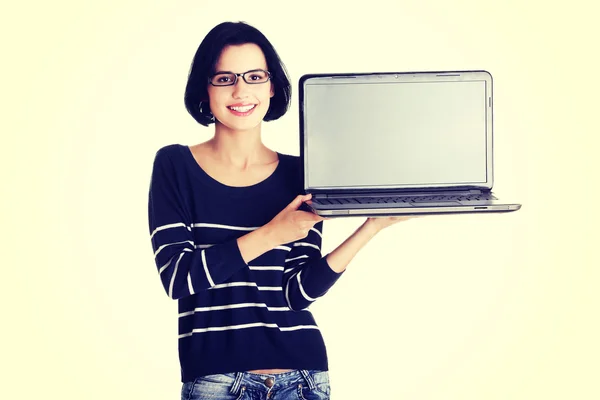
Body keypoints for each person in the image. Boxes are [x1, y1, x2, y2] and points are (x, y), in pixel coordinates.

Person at [148, 21, 415, 400]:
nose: (241, 91)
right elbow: (178, 278)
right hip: (216, 381)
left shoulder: (300, 174)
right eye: (224, 78)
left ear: (271, 87)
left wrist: (372, 226)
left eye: (254, 76)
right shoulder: (175, 165)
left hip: (304, 377)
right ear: (205, 90)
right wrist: (272, 233)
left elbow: (297, 293)